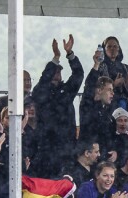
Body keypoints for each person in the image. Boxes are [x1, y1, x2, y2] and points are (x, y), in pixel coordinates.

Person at [32, 36, 84, 176]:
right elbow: (43, 81)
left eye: (59, 71)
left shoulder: (66, 91)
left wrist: (70, 55)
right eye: (54, 71)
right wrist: (56, 57)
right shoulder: (40, 91)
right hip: (46, 147)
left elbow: (78, 75)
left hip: (66, 147)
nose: (57, 74)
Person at [97, 36, 128, 114]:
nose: (112, 49)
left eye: (115, 46)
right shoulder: (100, 66)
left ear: (119, 49)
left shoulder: (126, 68)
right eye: (109, 47)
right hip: (106, 109)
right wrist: (114, 85)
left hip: (124, 109)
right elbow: (97, 91)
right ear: (104, 49)